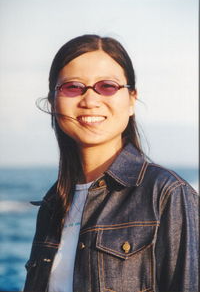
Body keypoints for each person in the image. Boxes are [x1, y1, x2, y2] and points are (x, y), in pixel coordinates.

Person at [23, 34, 199, 292]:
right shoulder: (53, 203)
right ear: (53, 102)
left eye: (107, 86)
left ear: (131, 100)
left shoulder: (166, 194)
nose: (90, 100)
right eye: (73, 87)